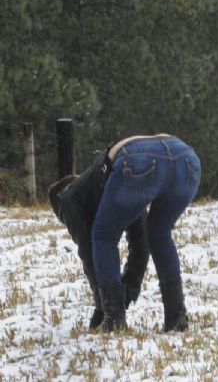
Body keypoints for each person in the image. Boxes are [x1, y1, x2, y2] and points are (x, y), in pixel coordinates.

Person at [48, 134, 201, 331]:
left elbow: (88, 252)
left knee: (102, 236)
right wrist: (130, 284)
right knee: (159, 234)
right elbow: (141, 238)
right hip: (186, 158)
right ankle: (176, 316)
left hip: (138, 161)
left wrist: (104, 306)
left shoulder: (67, 199)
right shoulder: (114, 188)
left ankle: (114, 321)